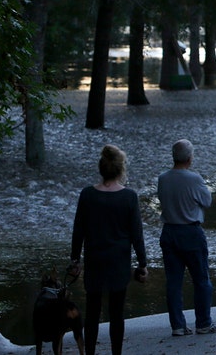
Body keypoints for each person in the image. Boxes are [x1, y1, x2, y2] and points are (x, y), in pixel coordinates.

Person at [70, 145, 147, 355]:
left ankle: (90, 353)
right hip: (119, 261)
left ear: (101, 168)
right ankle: (116, 353)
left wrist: (75, 260)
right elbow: (136, 234)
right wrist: (142, 264)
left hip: (95, 259)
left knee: (93, 312)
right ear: (121, 170)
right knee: (116, 313)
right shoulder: (129, 197)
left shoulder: (87, 195)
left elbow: (79, 231)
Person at [156, 139, 216, 336]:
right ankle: (203, 322)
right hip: (191, 232)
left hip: (169, 232)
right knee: (201, 279)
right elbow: (207, 201)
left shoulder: (163, 178)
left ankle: (177, 325)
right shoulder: (194, 179)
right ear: (190, 158)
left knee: (173, 281)